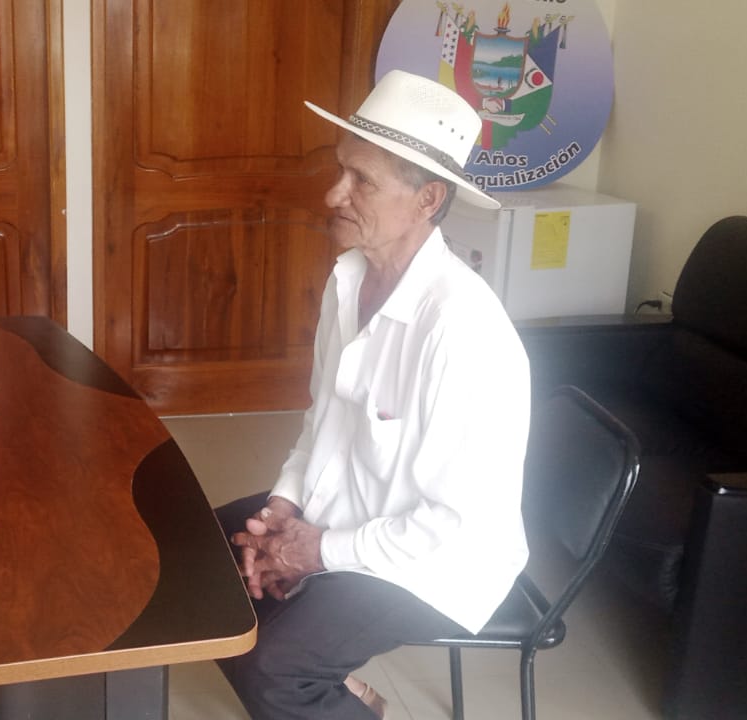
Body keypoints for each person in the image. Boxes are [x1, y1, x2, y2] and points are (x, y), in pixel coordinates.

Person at [216, 70, 531, 720]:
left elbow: (452, 524)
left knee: (274, 669)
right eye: (341, 171)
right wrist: (282, 510)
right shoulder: (349, 278)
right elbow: (323, 424)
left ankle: (322, 695)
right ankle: (342, 695)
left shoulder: (463, 330)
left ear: (427, 200)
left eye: (362, 180)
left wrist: (314, 550)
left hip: (435, 560)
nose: (334, 194)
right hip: (348, 511)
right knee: (210, 561)